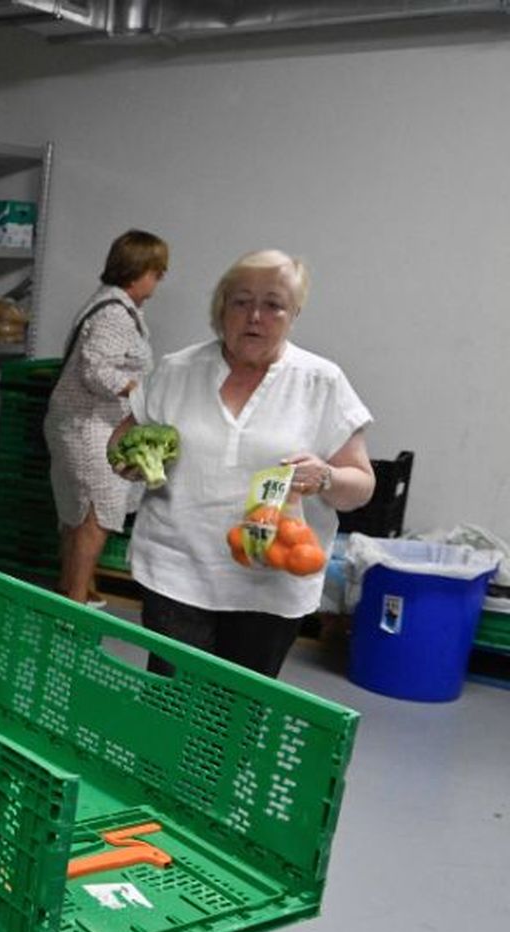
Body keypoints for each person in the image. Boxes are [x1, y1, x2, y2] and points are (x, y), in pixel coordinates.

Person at [112, 249, 375, 678]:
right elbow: (123, 437)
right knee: (172, 703)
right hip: (177, 570)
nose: (255, 315)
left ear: (294, 314)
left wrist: (326, 477)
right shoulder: (177, 370)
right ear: (221, 307)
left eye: (273, 304)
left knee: (241, 712)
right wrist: (129, 461)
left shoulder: (322, 381)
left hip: (271, 582)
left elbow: (361, 485)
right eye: (241, 301)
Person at [43, 229, 168, 606]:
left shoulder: (113, 305)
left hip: (84, 423)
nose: (159, 281)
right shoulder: (115, 313)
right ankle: (76, 602)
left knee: (79, 512)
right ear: (138, 270)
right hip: (89, 426)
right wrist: (138, 391)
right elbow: (95, 370)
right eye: (157, 272)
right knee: (95, 514)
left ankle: (70, 589)